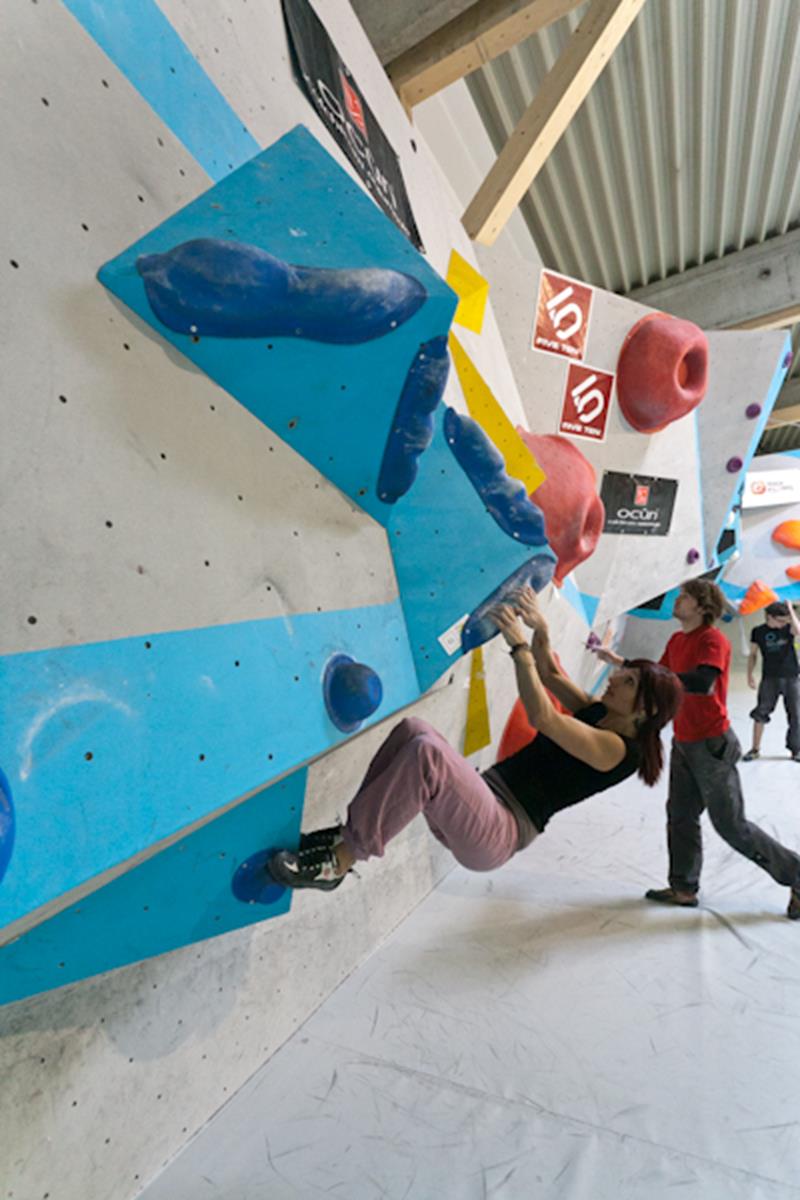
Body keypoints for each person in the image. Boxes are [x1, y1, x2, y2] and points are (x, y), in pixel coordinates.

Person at [267, 587, 683, 892]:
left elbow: (543, 716)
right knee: (413, 730)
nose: (614, 680)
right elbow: (552, 675)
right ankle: (345, 834)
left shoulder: (617, 750)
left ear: (643, 711)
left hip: (498, 831)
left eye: (626, 683)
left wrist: (518, 647)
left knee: (427, 756)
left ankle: (339, 862)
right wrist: (539, 627)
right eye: (622, 674)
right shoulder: (603, 714)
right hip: (482, 800)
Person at [594, 579, 800, 919]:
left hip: (711, 744)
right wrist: (619, 661)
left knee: (731, 826)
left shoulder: (712, 640)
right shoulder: (677, 639)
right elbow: (657, 676)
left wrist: (655, 678)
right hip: (684, 741)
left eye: (685, 596)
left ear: (702, 606)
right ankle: (684, 887)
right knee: (680, 815)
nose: (678, 600)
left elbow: (703, 683)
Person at [743, 600, 800, 762]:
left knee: (796, 714)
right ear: (769, 617)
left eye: (785, 621)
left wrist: (790, 609)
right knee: (761, 712)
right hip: (770, 678)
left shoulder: (789, 629)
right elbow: (753, 655)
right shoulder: (758, 632)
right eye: (780, 620)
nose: (783, 624)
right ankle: (755, 749)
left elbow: (799, 631)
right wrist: (750, 675)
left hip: (792, 677)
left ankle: (796, 749)